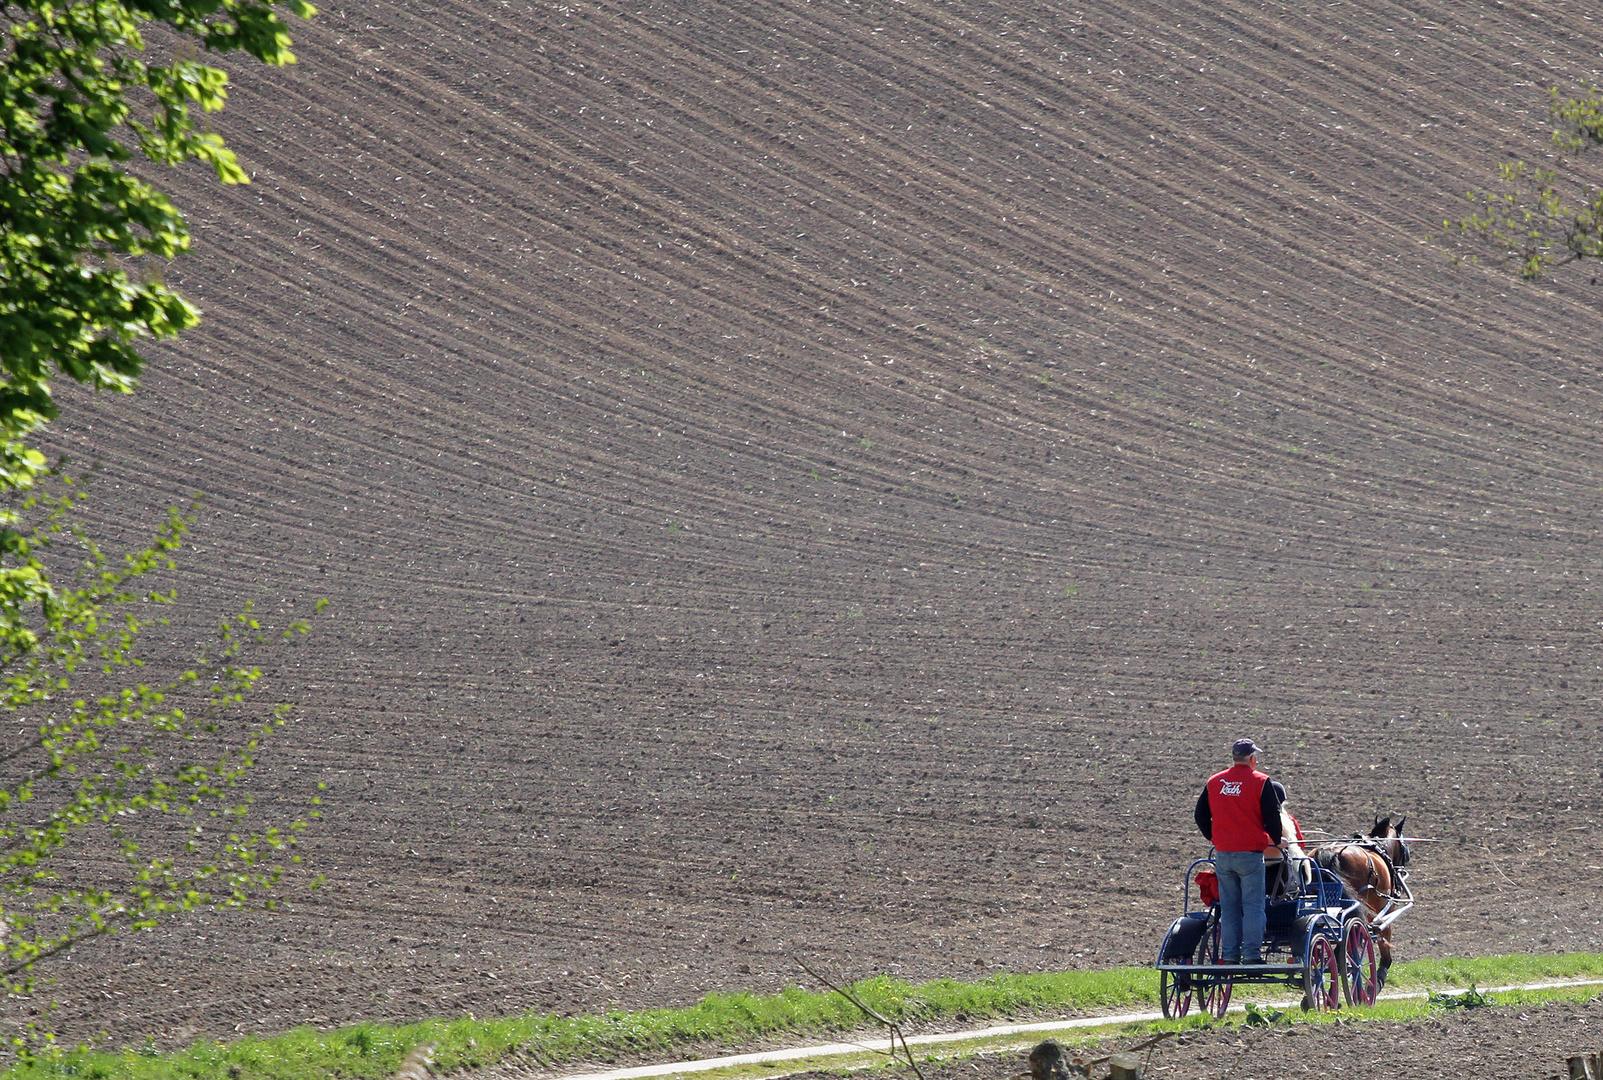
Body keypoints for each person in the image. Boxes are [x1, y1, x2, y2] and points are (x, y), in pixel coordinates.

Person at [1193, 738, 1283, 964]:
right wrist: (1277, 839)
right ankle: (1252, 955)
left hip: (1223, 854)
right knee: (1253, 906)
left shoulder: (1215, 781)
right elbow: (1272, 817)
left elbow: (1200, 815)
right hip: (1251, 855)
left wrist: (1214, 837)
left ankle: (1230, 955)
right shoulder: (1261, 781)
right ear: (1252, 759)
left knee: (1230, 907)